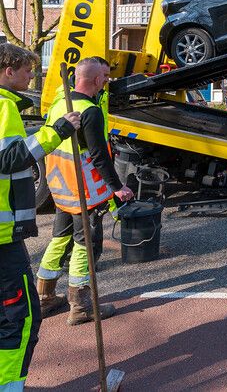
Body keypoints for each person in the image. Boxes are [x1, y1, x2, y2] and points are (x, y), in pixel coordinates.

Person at [0, 43, 81, 390]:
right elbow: (8, 158)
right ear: (8, 70)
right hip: (2, 238)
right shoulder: (4, 106)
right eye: (27, 69)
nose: (32, 75)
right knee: (18, 317)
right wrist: (57, 131)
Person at [37, 57, 134, 326]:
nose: (106, 81)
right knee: (85, 245)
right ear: (94, 80)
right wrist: (117, 187)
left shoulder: (59, 105)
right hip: (83, 190)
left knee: (59, 238)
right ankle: (80, 307)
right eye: (104, 77)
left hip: (61, 187)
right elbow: (99, 155)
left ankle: (44, 298)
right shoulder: (90, 111)